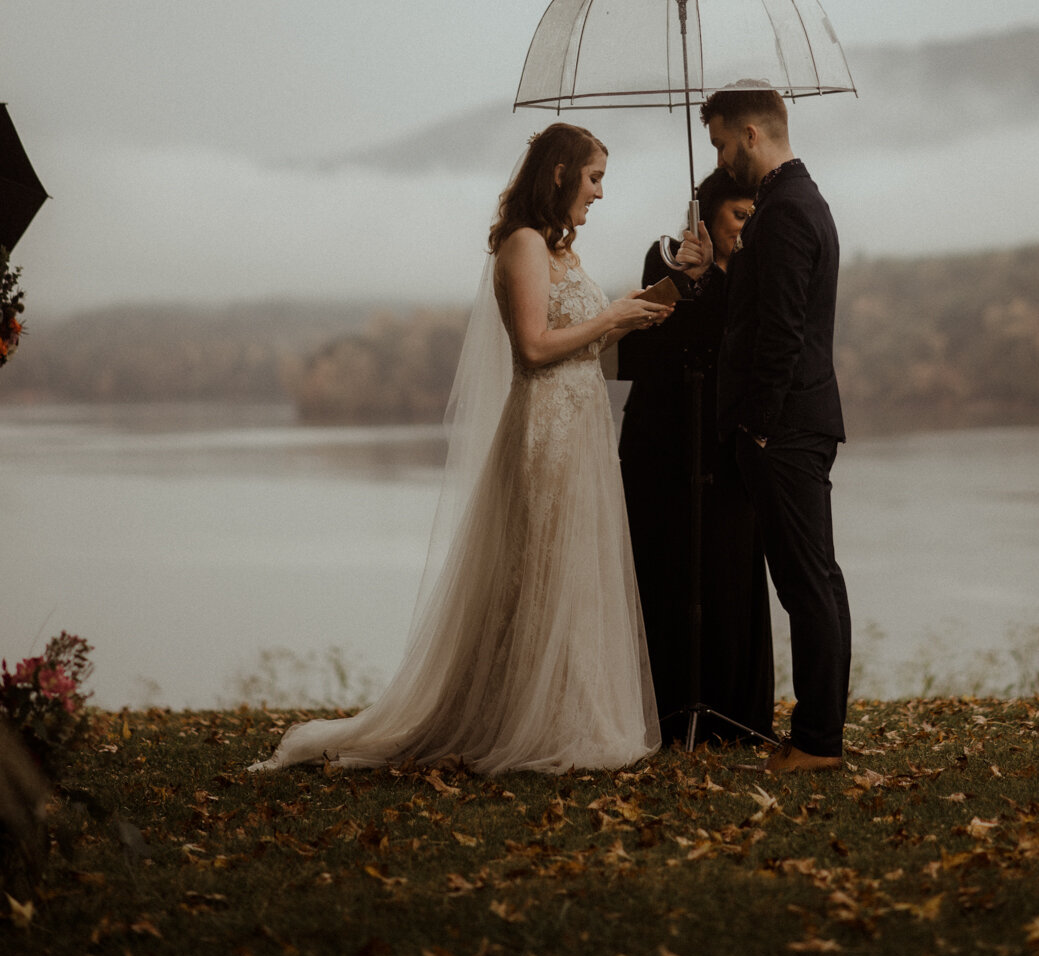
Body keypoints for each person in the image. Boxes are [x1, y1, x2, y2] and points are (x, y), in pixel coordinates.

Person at [251, 123, 673, 777]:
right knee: (538, 567)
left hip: (583, 423)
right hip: (545, 428)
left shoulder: (565, 255)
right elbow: (532, 349)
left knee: (572, 568)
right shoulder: (523, 244)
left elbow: (585, 342)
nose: (599, 195)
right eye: (593, 179)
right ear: (559, 174)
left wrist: (632, 312)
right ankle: (515, 718)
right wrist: (610, 318)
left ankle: (567, 710)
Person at [678, 85, 850, 775]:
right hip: (795, 422)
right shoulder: (794, 203)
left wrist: (754, 426)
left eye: (720, 142)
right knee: (815, 582)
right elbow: (757, 316)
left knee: (807, 585)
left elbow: (778, 334)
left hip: (782, 429)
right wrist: (708, 275)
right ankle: (815, 736)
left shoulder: (783, 212)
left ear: (751, 133)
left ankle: (815, 743)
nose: (720, 157)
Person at [617, 167, 774, 744]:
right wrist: (692, 276)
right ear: (705, 214)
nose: (745, 228)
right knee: (666, 566)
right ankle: (666, 708)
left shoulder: (758, 271)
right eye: (738, 215)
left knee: (731, 568)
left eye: (754, 218)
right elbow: (655, 341)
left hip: (728, 443)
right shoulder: (664, 257)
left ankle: (736, 712)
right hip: (663, 443)